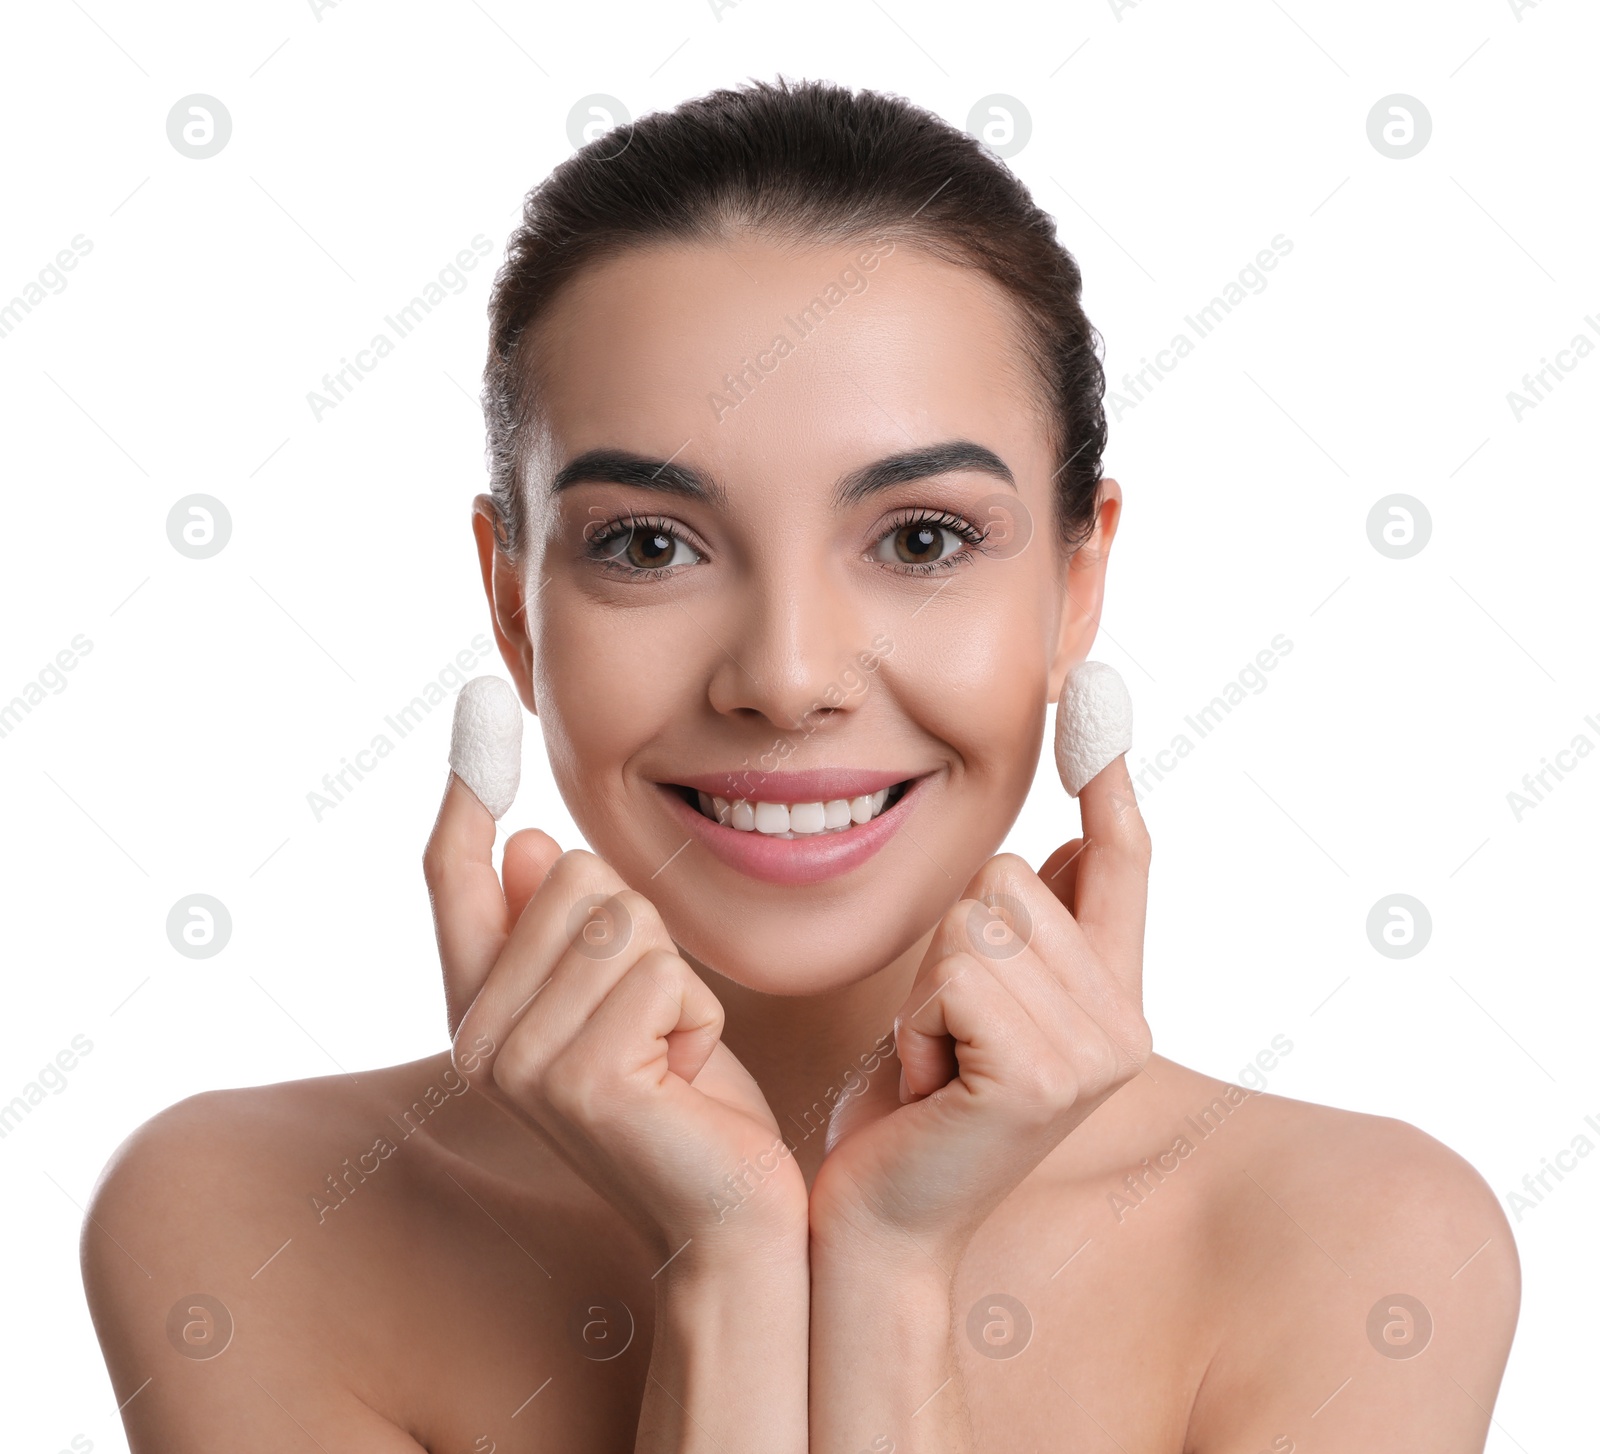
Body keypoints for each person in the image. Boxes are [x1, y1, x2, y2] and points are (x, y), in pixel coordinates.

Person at [80, 76, 1518, 1452]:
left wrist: (887, 1275)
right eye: (649, 543)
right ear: (516, 603)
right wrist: (728, 1262)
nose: (783, 676)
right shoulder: (243, 1222)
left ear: (1079, 584)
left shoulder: (1369, 1247)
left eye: (921, 539)